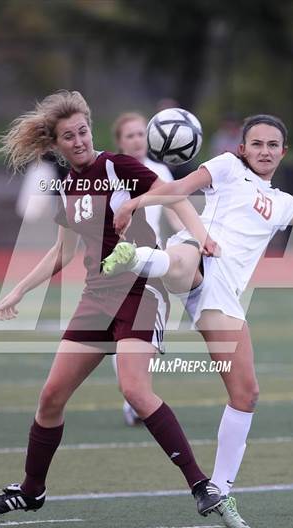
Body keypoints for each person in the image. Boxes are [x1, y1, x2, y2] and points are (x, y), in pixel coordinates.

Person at [0, 90, 223, 518]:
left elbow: (174, 196)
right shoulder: (70, 185)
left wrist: (202, 237)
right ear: (55, 145)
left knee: (134, 389)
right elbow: (62, 253)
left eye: (83, 131)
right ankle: (32, 489)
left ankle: (202, 486)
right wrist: (19, 290)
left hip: (141, 290)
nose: (79, 140)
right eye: (68, 136)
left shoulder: (118, 165)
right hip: (97, 296)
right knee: (51, 397)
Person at [103, 114, 293, 528]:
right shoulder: (228, 168)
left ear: (282, 153)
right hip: (197, 253)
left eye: (272, 145)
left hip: (224, 294)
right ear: (242, 148)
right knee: (185, 258)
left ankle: (219, 490)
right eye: (257, 144)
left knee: (246, 393)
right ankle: (137, 257)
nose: (264, 151)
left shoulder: (282, 202)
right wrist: (134, 202)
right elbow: (177, 189)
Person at [112, 111, 184, 426]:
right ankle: (134, 400)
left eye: (142, 134)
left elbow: (175, 212)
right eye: (130, 135)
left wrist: (190, 240)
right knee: (121, 339)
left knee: (148, 344)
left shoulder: (159, 171)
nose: (138, 140)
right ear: (119, 141)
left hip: (151, 263)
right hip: (114, 264)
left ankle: (138, 397)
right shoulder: (109, 173)